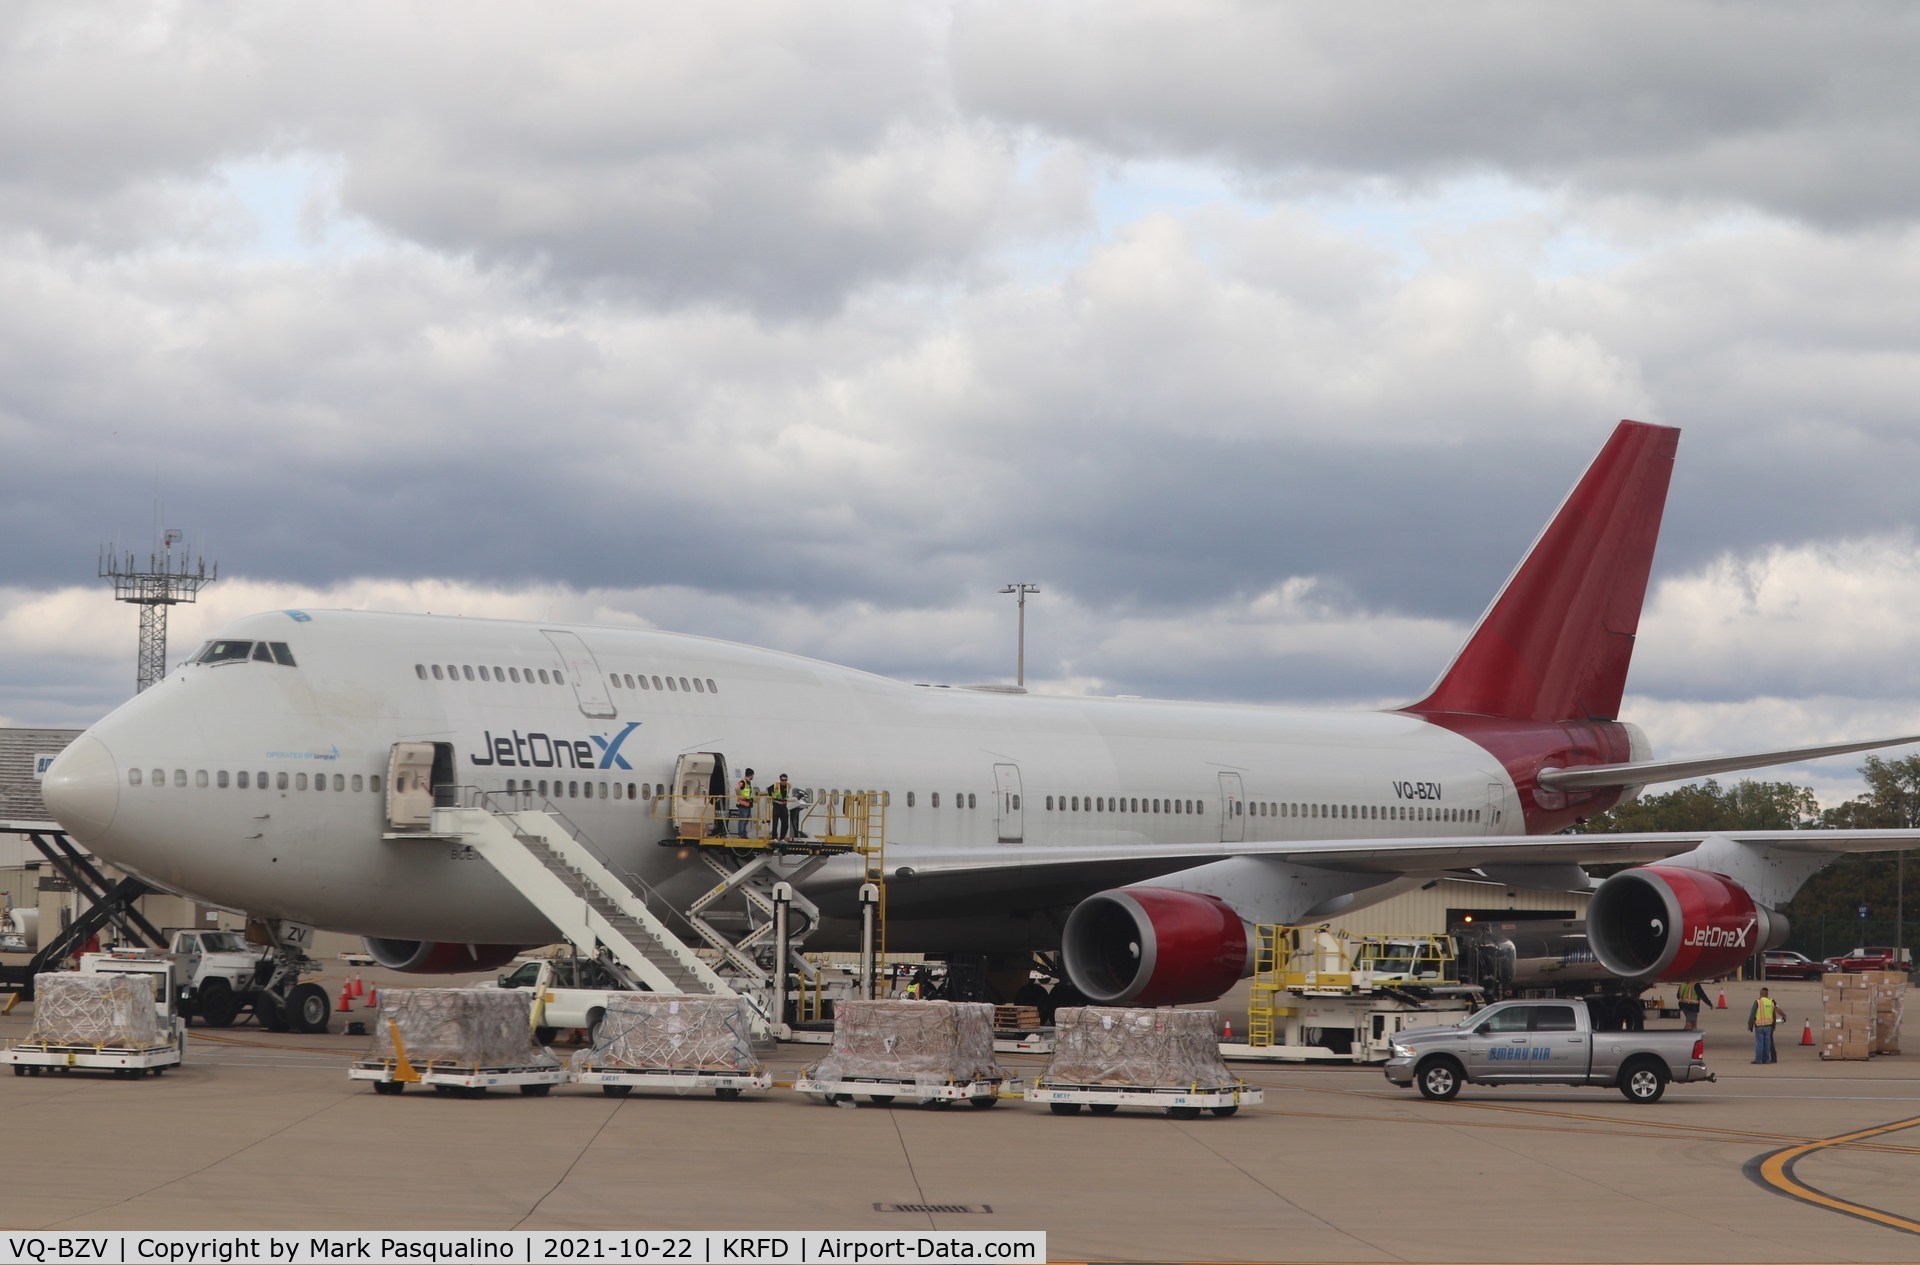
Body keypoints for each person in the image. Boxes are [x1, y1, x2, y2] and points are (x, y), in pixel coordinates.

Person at [1747, 987, 1782, 1063]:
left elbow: (1752, 1014)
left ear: (1760, 993)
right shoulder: (1771, 1002)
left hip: (1759, 1026)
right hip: (1768, 1027)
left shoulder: (1758, 1002)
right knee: (1767, 1044)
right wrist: (1774, 1026)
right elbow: (1774, 1015)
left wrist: (1750, 1025)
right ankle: (1766, 1060)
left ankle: (1759, 1060)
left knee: (1760, 1044)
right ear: (1767, 994)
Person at [734, 768, 757, 839]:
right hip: (743, 804)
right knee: (743, 820)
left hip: (747, 805)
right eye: (753, 775)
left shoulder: (748, 783)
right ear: (751, 775)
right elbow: (737, 788)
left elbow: (747, 793)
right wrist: (740, 796)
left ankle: (743, 833)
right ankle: (741, 834)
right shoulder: (743, 782)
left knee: (746, 820)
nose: (753, 777)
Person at [769, 773, 792, 841]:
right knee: (775, 823)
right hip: (776, 805)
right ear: (780, 780)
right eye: (783, 780)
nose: (784, 781)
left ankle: (782, 837)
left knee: (785, 823)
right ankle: (774, 837)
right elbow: (769, 790)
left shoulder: (789, 786)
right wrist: (773, 797)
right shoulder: (776, 785)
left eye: (785, 780)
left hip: (784, 806)